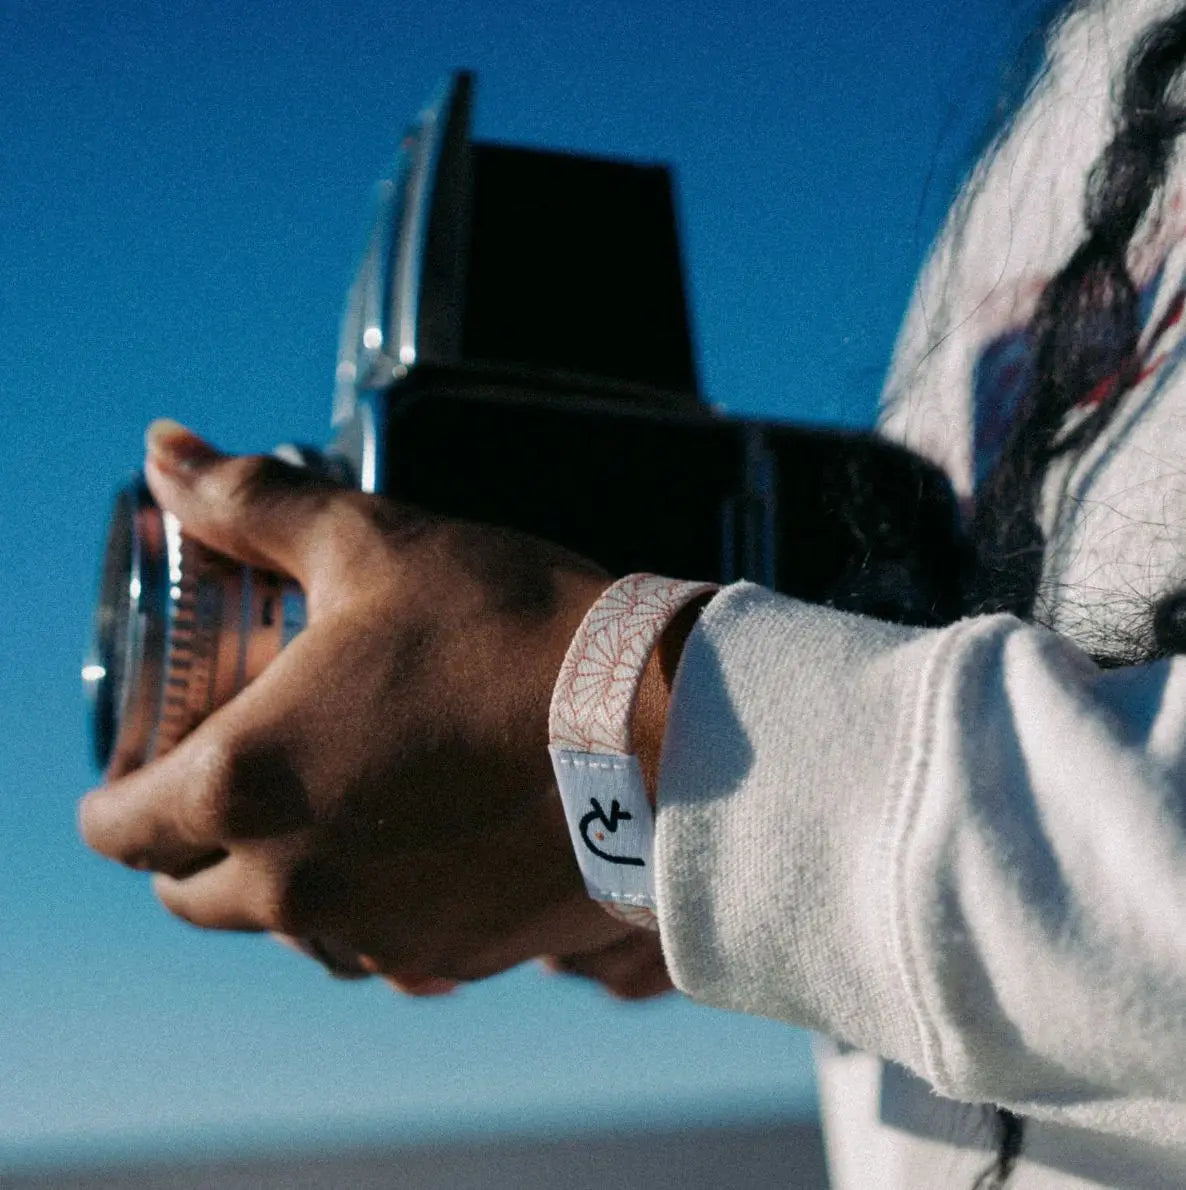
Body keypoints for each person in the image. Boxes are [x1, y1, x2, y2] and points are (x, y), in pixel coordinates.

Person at [78, 0, 1186, 1184]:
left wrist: (644, 749)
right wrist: (696, 892)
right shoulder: (1058, 112)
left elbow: (854, 789)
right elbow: (951, 746)